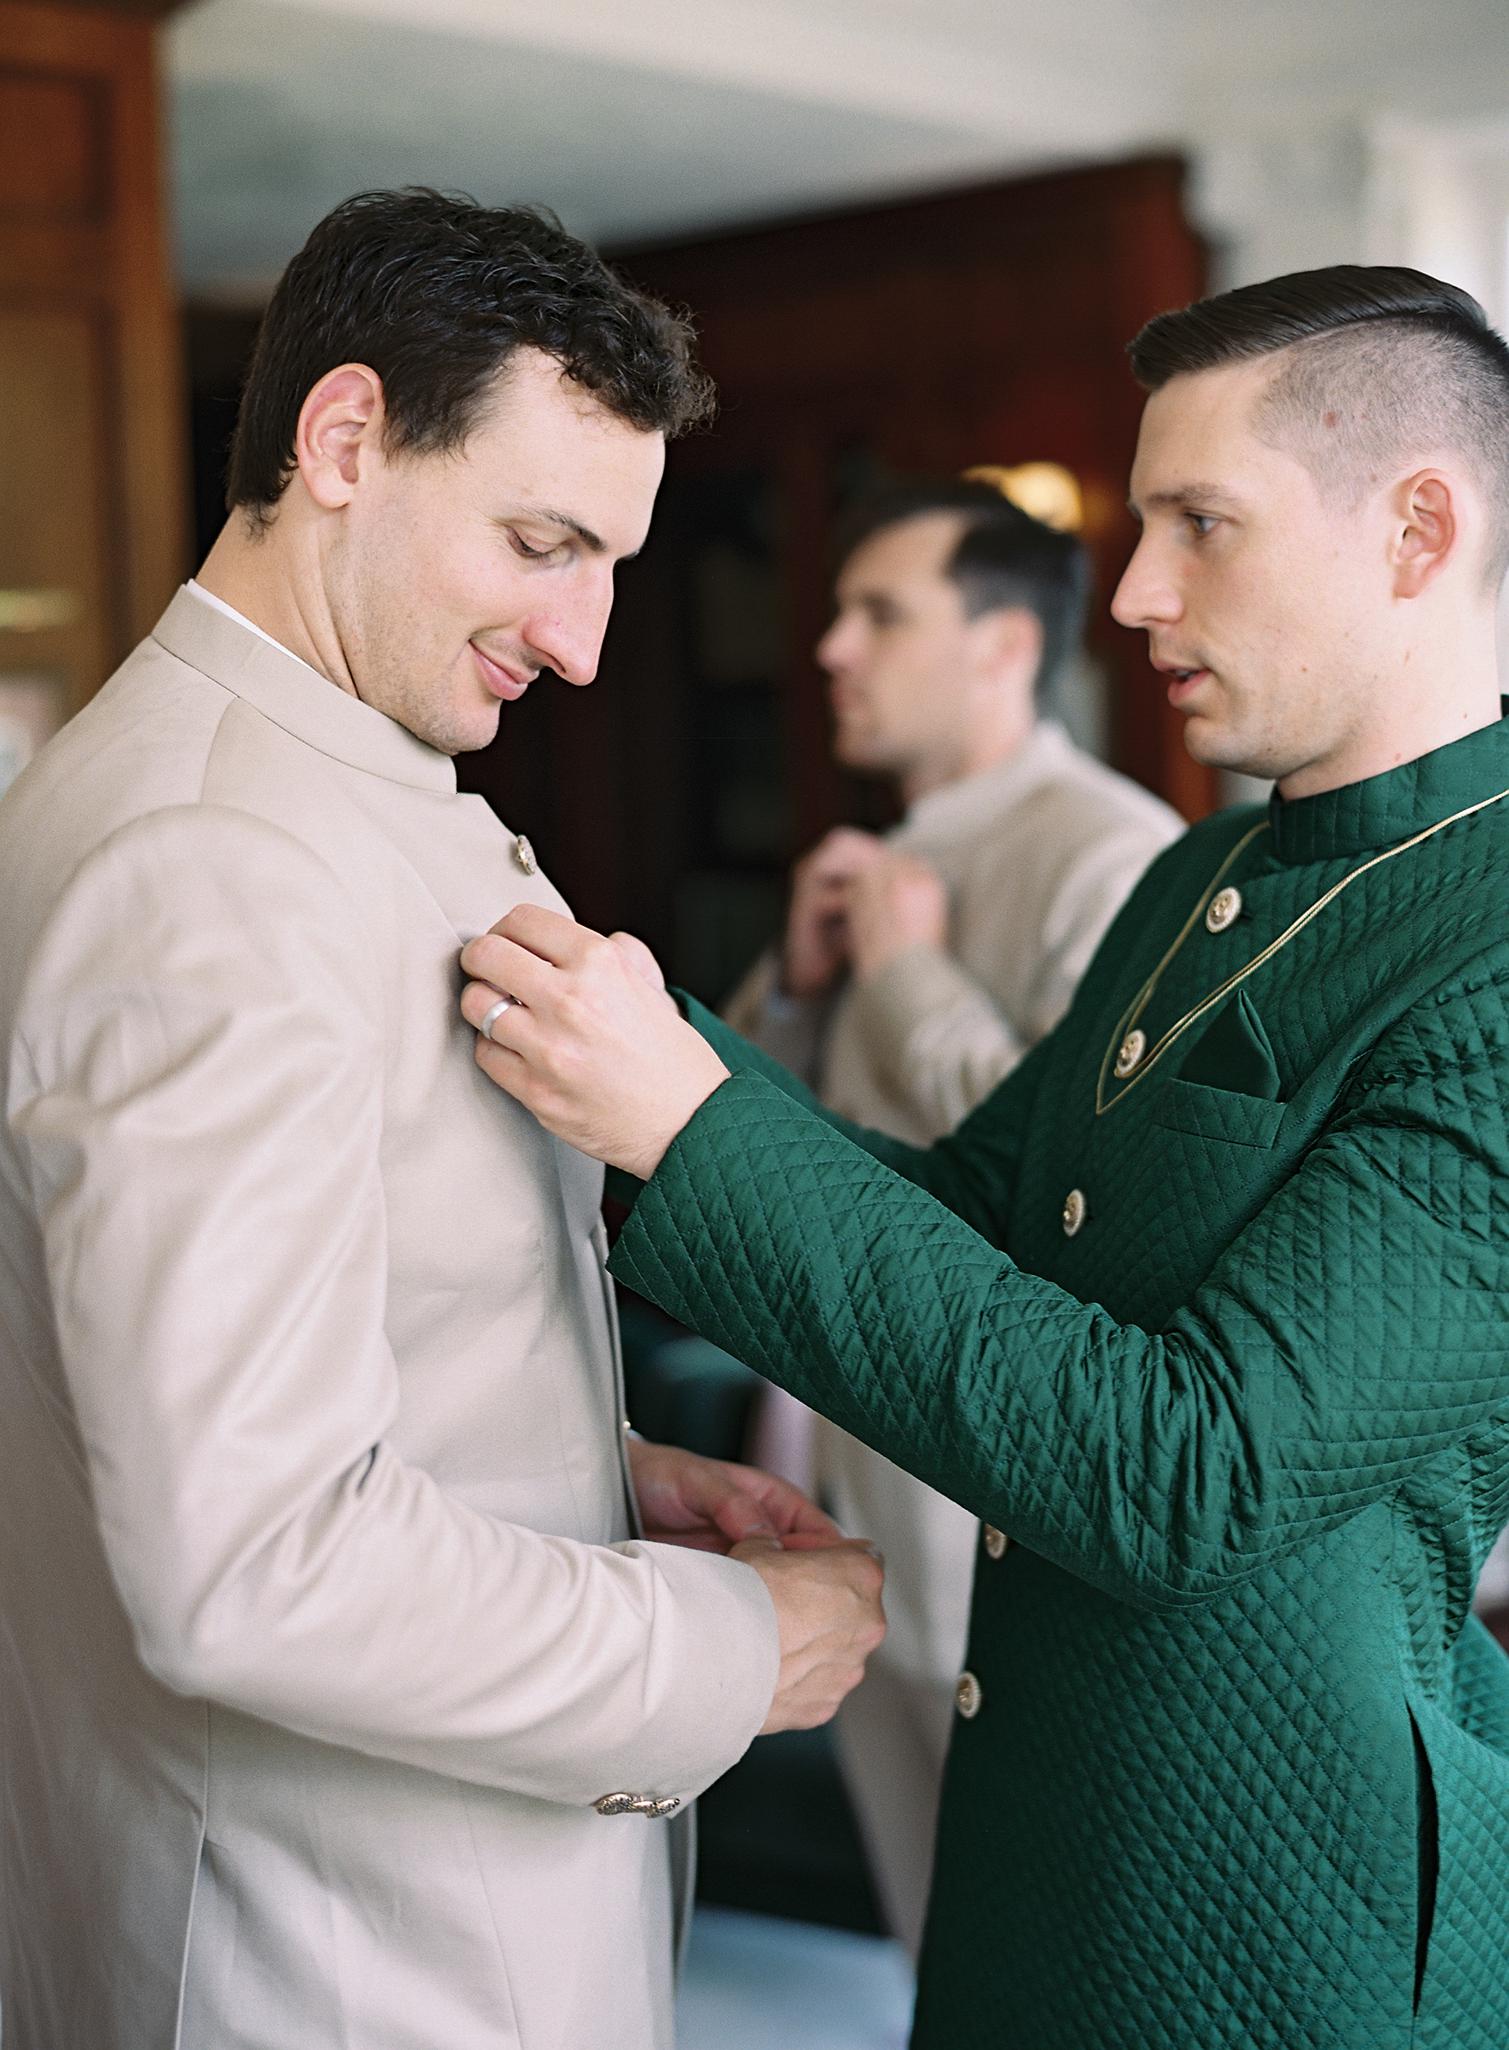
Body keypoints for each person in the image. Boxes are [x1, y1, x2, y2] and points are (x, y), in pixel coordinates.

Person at [460, 264, 1509, 2049]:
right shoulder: (1203, 874)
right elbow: (968, 1210)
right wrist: (625, 1033)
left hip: (1278, 1900)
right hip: (1042, 1815)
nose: (1131, 589)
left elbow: (1184, 1467)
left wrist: (684, 1119)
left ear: (1416, 530)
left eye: (1198, 524)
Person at [0, 188, 886, 2050]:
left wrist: (599, 1468)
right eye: (542, 542)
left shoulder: (323, 773)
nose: (579, 644)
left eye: (612, 564)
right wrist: (735, 1650)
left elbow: (237, 1348)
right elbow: (252, 1559)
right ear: (342, 443)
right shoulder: (209, 859)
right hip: (333, 1959)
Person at [723, 476, 1180, 1950]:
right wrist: (792, 992)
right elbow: (775, 1160)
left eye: (878, 613)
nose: (830, 651)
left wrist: (911, 972)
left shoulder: (1115, 857)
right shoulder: (869, 865)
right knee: (929, 1960)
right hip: (857, 1508)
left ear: (998, 646)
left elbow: (1081, 1199)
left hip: (1003, 1543)